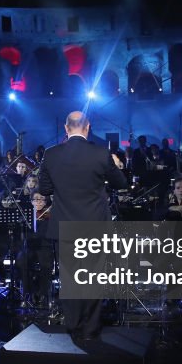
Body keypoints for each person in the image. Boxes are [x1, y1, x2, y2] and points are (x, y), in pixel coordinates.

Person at [38, 111, 127, 345]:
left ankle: (73, 325)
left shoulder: (51, 154)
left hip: (65, 225)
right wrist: (115, 166)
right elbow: (121, 184)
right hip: (95, 225)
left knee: (70, 279)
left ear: (66, 128)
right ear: (87, 128)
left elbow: (45, 189)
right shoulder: (100, 153)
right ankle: (90, 329)